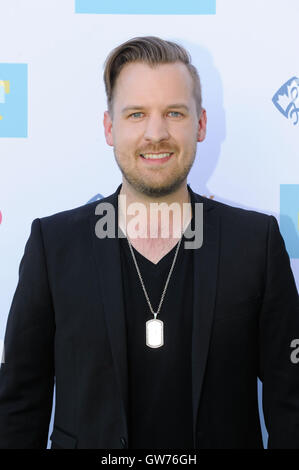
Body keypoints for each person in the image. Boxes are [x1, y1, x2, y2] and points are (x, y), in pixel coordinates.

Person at [0, 36, 298, 450]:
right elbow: (18, 405)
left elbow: (292, 402)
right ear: (109, 127)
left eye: (174, 113)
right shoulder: (54, 246)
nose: (155, 133)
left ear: (201, 123)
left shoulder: (256, 244)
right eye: (136, 114)